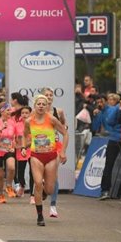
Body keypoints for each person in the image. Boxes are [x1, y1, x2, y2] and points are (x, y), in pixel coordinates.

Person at [24, 95, 69, 226]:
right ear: (35, 105)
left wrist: (63, 151)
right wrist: (24, 145)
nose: (41, 106)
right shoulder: (29, 121)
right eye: (39, 104)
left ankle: (43, 193)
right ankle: (40, 216)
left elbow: (65, 134)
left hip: (51, 156)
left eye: (44, 104)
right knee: (38, 183)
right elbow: (25, 135)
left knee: (49, 189)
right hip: (36, 155)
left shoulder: (52, 119)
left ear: (47, 106)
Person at [91, 93, 121, 200]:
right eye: (98, 102)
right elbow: (95, 127)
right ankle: (105, 190)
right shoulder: (100, 112)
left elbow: (112, 123)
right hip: (112, 138)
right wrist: (95, 116)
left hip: (119, 138)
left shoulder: (113, 109)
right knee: (108, 164)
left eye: (101, 101)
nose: (100, 104)